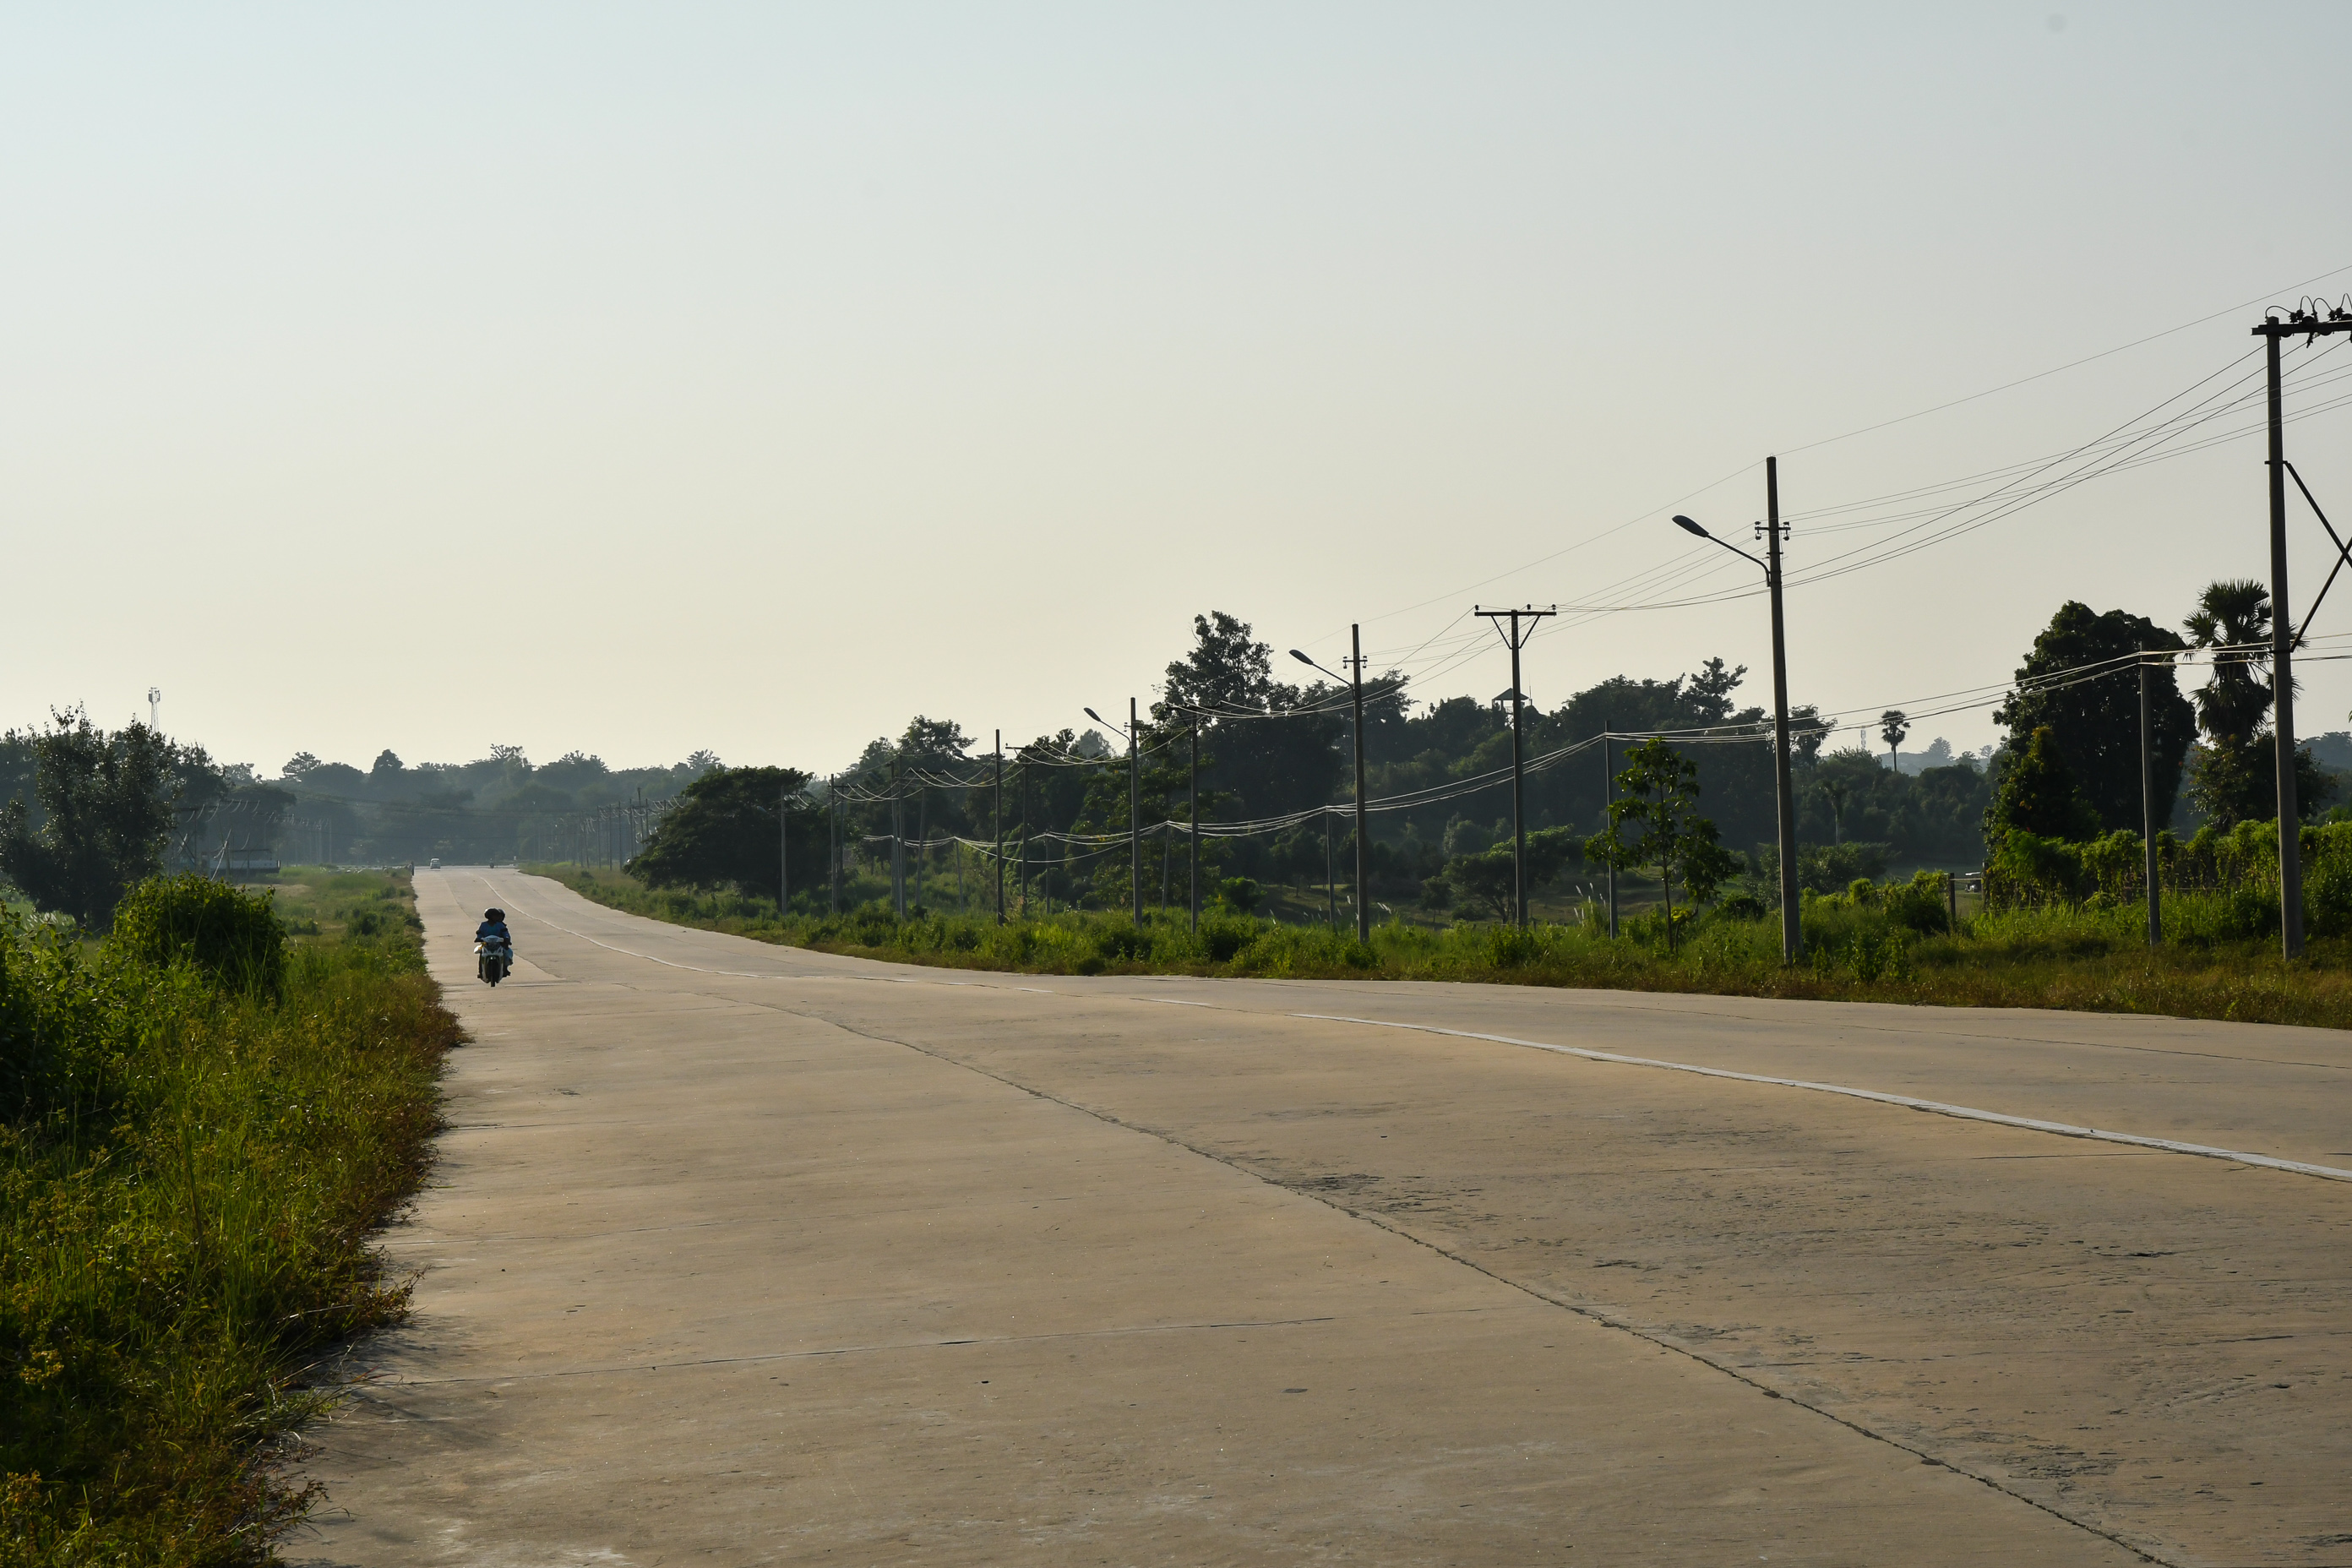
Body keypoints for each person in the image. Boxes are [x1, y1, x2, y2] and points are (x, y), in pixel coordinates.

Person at [476, 907, 514, 977]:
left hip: (498, 943)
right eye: (495, 916)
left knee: (506, 953)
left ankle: (505, 969)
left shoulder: (500, 925)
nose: (497, 917)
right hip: (485, 943)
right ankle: (481, 971)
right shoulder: (483, 925)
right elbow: (480, 932)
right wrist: (478, 938)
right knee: (481, 953)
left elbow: (505, 933)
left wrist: (507, 939)